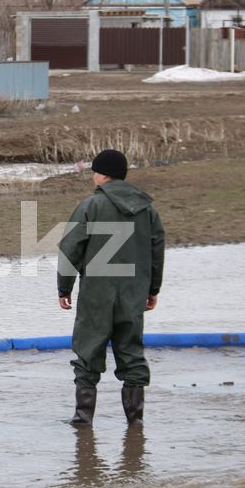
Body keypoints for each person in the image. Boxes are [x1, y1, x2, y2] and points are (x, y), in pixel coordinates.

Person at [57, 149, 165, 426]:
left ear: (103, 175)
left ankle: (83, 418)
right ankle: (136, 422)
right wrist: (153, 290)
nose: (93, 176)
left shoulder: (89, 206)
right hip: (133, 294)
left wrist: (64, 288)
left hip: (97, 293)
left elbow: (70, 250)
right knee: (131, 352)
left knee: (88, 351)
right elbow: (157, 250)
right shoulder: (147, 209)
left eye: (95, 171)